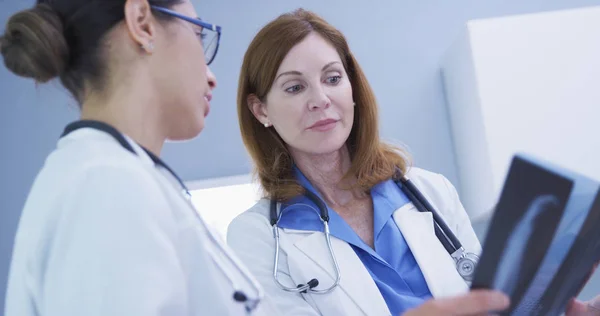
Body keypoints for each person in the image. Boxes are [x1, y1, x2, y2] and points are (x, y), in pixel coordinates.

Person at [227, 8, 600, 316]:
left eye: (333, 77)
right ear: (261, 110)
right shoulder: (258, 238)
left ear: (352, 88)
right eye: (295, 87)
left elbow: (490, 308)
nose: (321, 98)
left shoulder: (429, 191)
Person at [1, 0, 271, 315]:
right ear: (142, 23)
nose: (212, 77)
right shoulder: (106, 185)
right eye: (198, 35)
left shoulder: (116, 176)